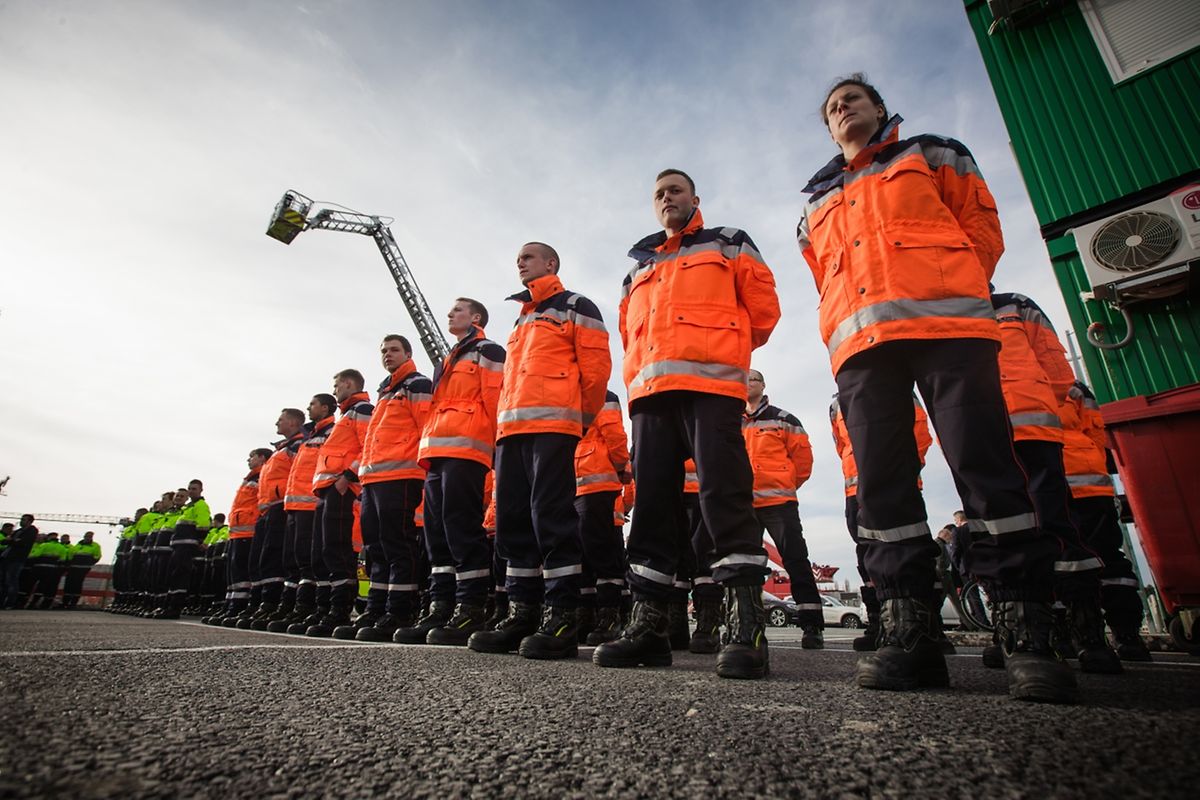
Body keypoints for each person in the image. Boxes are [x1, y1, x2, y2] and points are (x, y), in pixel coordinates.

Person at [797, 74, 1074, 702]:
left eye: (853, 100)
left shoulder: (933, 153)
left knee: (986, 467)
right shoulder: (816, 200)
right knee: (883, 486)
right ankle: (909, 636)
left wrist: (955, 287)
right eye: (833, 108)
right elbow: (823, 274)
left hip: (950, 327)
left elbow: (981, 228)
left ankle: (1027, 633)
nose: (844, 110)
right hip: (862, 350)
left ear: (880, 108)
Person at [596, 169, 781, 679]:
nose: (666, 198)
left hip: (713, 388)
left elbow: (763, 310)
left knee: (723, 495)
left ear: (694, 199)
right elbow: (628, 333)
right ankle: (650, 625)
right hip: (652, 396)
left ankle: (745, 626)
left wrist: (719, 349)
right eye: (658, 193)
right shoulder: (638, 267)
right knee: (653, 506)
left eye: (675, 190)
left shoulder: (729, 243)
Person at [467, 242, 611, 659]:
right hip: (512, 430)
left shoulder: (575, 305)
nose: (520, 262)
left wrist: (577, 420)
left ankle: (562, 615)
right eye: (518, 258)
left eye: (528, 257)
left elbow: (596, 368)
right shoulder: (521, 318)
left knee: (550, 516)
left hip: (554, 426)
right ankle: (522, 612)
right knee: (512, 522)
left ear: (550, 264)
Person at [990, 290, 1118, 673]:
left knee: (1055, 532)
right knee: (1009, 533)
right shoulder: (1006, 309)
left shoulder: (1015, 306)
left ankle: (1085, 632)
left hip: (1030, 433)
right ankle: (1036, 630)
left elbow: (1059, 376)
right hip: (994, 435)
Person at [404, 299, 506, 646]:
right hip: (437, 452)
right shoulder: (450, 358)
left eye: (457, 310)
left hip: (468, 447)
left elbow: (495, 398)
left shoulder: (487, 350)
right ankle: (441, 605)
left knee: (460, 527)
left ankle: (471, 606)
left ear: (476, 317)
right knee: (436, 533)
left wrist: (497, 446)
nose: (450, 315)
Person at [345, 336, 431, 642]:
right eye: (383, 350)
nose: (387, 355)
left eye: (394, 350)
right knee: (376, 549)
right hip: (373, 481)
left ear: (408, 354)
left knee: (398, 545)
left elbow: (426, 427)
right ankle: (376, 608)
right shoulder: (385, 394)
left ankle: (400, 610)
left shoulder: (417, 384)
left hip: (402, 476)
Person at [831, 393, 932, 650]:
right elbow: (841, 445)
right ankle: (879, 623)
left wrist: (907, 467)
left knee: (907, 544)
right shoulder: (835, 405)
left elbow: (919, 428)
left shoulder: (897, 385)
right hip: (855, 490)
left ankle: (928, 626)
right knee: (865, 554)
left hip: (895, 480)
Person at [1060, 381, 1152, 662]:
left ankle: (1087, 637)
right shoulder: (1076, 388)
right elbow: (1097, 431)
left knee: (1067, 558)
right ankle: (1128, 635)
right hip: (1092, 482)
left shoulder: (1009, 372)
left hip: (1051, 482)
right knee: (1109, 556)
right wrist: (1092, 462)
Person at [295, 370, 373, 637]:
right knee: (324, 552)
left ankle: (340, 610)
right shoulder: (346, 414)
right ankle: (326, 608)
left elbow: (368, 445)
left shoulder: (361, 409)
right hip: (328, 490)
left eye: (337, 385)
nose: (335, 389)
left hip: (341, 488)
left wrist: (347, 477)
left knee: (337, 551)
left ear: (348, 384)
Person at [258, 395, 335, 631]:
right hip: (291, 505)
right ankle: (291, 605)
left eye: (312, 404)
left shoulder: (328, 432)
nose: (309, 408)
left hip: (310, 504)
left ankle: (309, 606)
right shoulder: (307, 439)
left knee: (307, 559)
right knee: (292, 559)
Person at [235, 410, 306, 628]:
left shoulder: (296, 446)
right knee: (263, 559)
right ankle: (262, 603)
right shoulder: (281, 450)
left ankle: (273, 602)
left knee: (276, 557)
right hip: (268, 510)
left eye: (281, 419)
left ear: (293, 422)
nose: (277, 422)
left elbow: (300, 473)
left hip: (282, 506)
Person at [572, 389, 631, 646]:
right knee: (583, 555)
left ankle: (609, 615)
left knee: (600, 554)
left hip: (596, 483)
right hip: (576, 484)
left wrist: (620, 466)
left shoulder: (603, 396)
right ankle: (588, 615)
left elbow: (615, 435)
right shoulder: (571, 396)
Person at [206, 449, 270, 626]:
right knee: (234, 572)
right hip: (237, 531)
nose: (249, 459)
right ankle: (231, 604)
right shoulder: (250, 478)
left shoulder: (261, 477)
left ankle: (240, 605)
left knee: (244, 571)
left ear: (262, 458)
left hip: (250, 531)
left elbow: (262, 502)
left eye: (252, 456)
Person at [156, 479, 211, 618]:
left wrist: (199, 541)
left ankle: (175, 608)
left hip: (187, 546)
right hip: (178, 545)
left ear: (200, 490)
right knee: (173, 576)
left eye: (194, 489)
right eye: (190, 488)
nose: (192, 491)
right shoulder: (187, 508)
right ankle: (168, 606)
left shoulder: (201, 505)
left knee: (180, 576)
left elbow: (203, 525)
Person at [1, 514, 38, 609]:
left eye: (24, 520)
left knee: (11, 580)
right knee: (3, 580)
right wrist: (14, 540)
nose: (21, 521)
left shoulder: (32, 531)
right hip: (7, 557)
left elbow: (23, 542)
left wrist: (12, 540)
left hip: (17, 559)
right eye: (21, 519)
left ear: (30, 521)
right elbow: (5, 541)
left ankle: (10, 603)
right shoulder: (18, 531)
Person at [61, 531, 102, 609]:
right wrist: (69, 563)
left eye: (90, 536)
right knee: (69, 583)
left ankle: (73, 603)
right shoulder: (78, 545)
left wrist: (89, 562)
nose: (88, 537)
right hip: (73, 567)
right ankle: (65, 602)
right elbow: (71, 554)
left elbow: (97, 556)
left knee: (77, 584)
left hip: (83, 568)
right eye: (87, 536)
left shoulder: (95, 545)